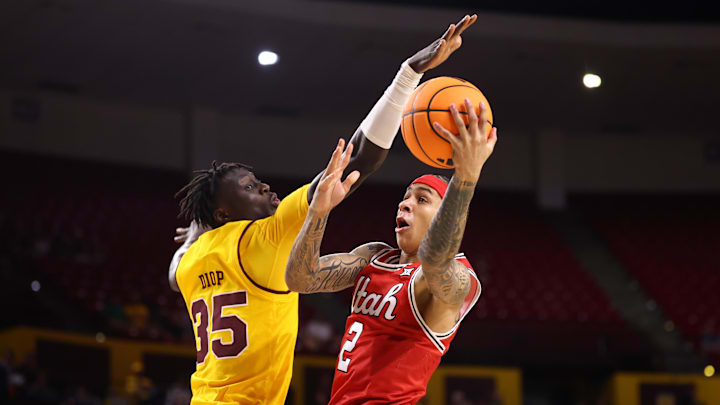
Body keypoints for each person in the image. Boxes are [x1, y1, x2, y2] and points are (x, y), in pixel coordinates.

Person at [168, 14, 476, 405]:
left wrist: (197, 231)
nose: (264, 186)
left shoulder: (194, 259)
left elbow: (174, 274)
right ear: (225, 214)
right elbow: (361, 158)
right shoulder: (268, 233)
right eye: (249, 187)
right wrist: (406, 75)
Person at [285, 94, 498, 402]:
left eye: (422, 199)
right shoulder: (374, 256)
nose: (405, 203)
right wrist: (318, 211)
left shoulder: (458, 278)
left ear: (445, 215)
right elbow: (300, 279)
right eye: (406, 196)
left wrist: (464, 178)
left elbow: (436, 260)